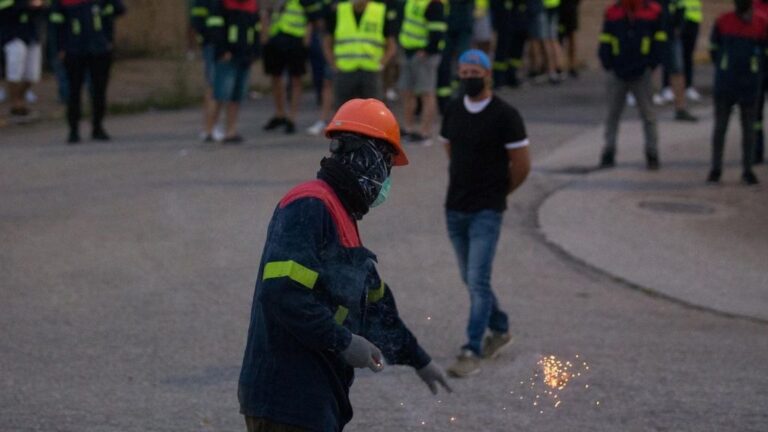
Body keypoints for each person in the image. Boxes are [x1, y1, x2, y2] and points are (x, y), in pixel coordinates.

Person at [238, 98, 451, 432]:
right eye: (387, 166)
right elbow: (281, 294)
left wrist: (418, 358)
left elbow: (377, 308)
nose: (386, 180)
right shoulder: (309, 205)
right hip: (287, 401)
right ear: (366, 156)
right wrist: (343, 341)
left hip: (316, 400)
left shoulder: (342, 218)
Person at [438, 50, 530, 378]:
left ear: (487, 74)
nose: (468, 77)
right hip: (455, 208)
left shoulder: (506, 115)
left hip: (486, 212)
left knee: (478, 280)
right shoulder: (452, 109)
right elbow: (450, 148)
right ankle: (501, 326)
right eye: (463, 72)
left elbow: (521, 164)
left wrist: (498, 193)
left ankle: (472, 347)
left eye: (474, 71)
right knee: (469, 277)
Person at [597, 0, 665, 170]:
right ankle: (609, 152)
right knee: (612, 114)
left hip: (642, 73)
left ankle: (652, 153)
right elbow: (605, 39)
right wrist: (608, 63)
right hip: (617, 71)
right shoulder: (613, 12)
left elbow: (660, 39)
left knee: (648, 115)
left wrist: (651, 63)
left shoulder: (653, 11)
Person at [50, 0, 125, 144]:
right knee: (74, 92)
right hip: (73, 50)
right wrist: (60, 48)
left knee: (99, 90)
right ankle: (73, 131)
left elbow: (117, 11)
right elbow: (55, 24)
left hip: (99, 48)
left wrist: (108, 40)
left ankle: (97, 127)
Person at [707, 0, 765, 185]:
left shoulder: (761, 23)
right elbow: (713, 49)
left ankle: (747, 170)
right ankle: (716, 168)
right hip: (726, 84)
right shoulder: (723, 21)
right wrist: (725, 67)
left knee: (748, 130)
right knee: (720, 128)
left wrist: (758, 71)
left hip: (749, 85)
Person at [204, 0, 261, 143]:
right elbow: (214, 27)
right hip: (227, 56)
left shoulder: (252, 5)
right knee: (220, 94)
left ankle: (231, 131)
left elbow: (256, 29)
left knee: (236, 96)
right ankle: (210, 130)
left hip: (244, 56)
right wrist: (223, 50)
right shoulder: (221, 4)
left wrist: (255, 51)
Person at [262, 0, 323, 134]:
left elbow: (311, 19)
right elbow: (266, 12)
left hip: (296, 39)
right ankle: (280, 114)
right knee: (275, 78)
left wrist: (306, 41)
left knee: (296, 80)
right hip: (276, 38)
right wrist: (265, 34)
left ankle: (292, 117)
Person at [323, 0, 397, 107]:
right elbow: (327, 43)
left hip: (371, 71)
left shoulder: (380, 11)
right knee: (344, 112)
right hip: (344, 70)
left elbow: (391, 45)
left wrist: (381, 64)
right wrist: (334, 65)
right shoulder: (338, 11)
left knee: (372, 111)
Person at [397, 0, 445, 144]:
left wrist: (427, 50)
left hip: (425, 55)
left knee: (427, 93)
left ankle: (425, 133)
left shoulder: (434, 3)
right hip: (409, 51)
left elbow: (437, 31)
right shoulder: (412, 2)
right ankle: (408, 129)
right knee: (407, 91)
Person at [1, 0, 47, 121]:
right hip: (12, 33)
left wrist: (39, 6)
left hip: (31, 34)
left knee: (33, 75)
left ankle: (20, 99)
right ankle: (16, 105)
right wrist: (27, 5)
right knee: (14, 70)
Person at [657, 0, 698, 121]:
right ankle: (645, 103)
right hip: (655, 32)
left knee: (678, 70)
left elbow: (681, 8)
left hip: (670, 34)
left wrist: (678, 27)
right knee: (649, 67)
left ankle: (680, 108)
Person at [436, 0, 473, 112]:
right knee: (444, 64)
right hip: (447, 23)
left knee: (463, 63)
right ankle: (444, 101)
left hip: (462, 23)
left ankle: (463, 99)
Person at [491, 0, 527, 88]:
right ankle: (498, 79)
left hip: (519, 19)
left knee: (516, 51)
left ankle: (512, 76)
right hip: (505, 19)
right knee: (503, 49)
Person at [558, 0, 580, 78]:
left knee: (570, 39)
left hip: (568, 10)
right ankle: (561, 65)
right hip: (563, 11)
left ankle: (571, 66)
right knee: (560, 40)